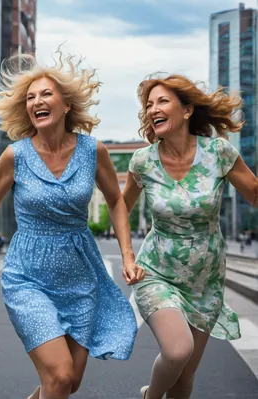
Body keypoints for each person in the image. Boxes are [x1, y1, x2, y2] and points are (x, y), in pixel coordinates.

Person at [0, 52, 144, 399]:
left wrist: (128, 255)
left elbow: (116, 199)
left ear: (65, 106)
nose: (36, 102)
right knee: (59, 376)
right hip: (27, 276)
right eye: (30, 97)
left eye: (45, 94)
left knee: (66, 382)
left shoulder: (93, 150)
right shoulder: (15, 155)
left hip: (80, 276)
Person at [123, 74, 258, 399]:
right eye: (149, 104)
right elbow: (120, 207)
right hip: (156, 273)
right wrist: (128, 255)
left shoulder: (219, 154)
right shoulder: (143, 161)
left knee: (184, 380)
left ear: (187, 111)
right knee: (177, 351)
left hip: (205, 281)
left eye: (162, 101)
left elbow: (254, 193)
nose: (153, 108)